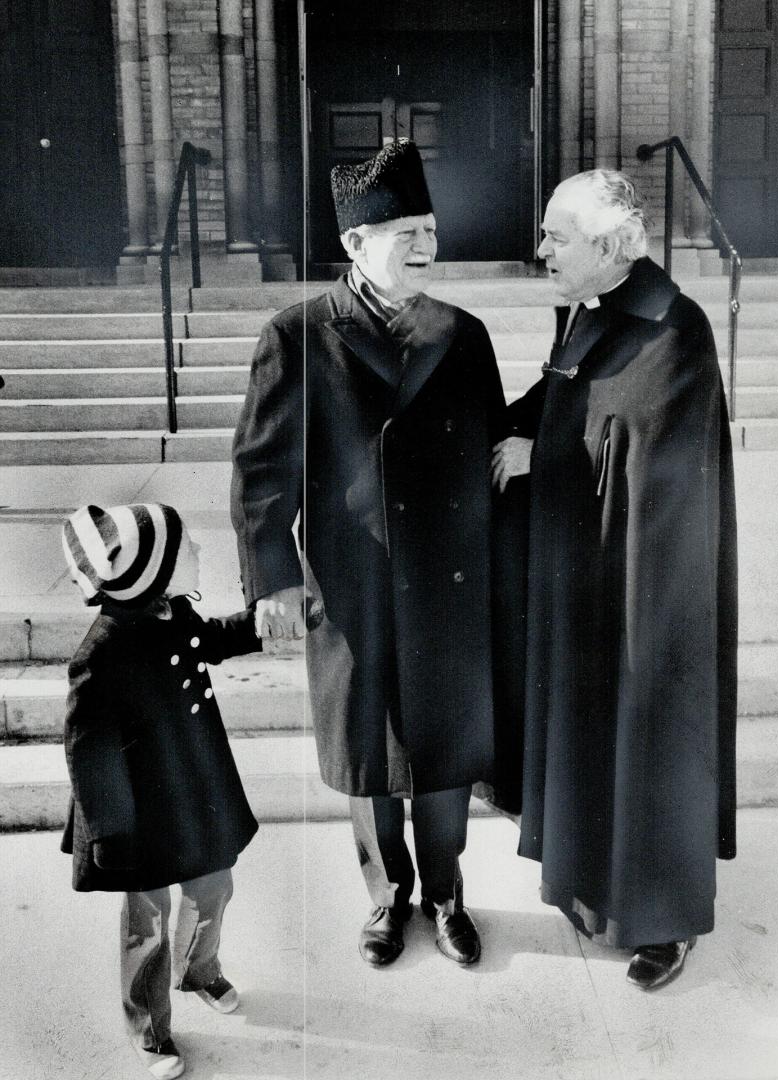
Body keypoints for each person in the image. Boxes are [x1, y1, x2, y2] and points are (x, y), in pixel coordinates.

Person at [231, 140, 506, 968]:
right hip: (353, 585)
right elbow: (259, 470)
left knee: (448, 750)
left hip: (450, 582)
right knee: (370, 751)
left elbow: (494, 452)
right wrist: (272, 581)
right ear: (354, 245)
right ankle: (388, 898)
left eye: (429, 229)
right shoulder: (299, 335)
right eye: (404, 233)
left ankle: (449, 895)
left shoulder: (463, 334)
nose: (426, 246)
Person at [492, 169, 738, 990]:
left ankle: (664, 923)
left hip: (651, 592)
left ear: (606, 246)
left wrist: (545, 456)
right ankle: (594, 893)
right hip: (589, 573)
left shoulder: (674, 326)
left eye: (557, 236)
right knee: (593, 735)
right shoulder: (594, 312)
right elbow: (567, 397)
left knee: (648, 739)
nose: (542, 249)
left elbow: (649, 455)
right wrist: (509, 426)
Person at [61, 503, 261, 1079]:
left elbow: (213, 638)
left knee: (213, 884)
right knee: (147, 919)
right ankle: (149, 1025)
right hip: (136, 811)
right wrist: (108, 834)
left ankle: (199, 970)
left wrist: (262, 624)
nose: (198, 551)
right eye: (188, 546)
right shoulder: (99, 654)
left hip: (195, 787)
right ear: (154, 568)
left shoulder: (172, 612)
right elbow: (88, 750)